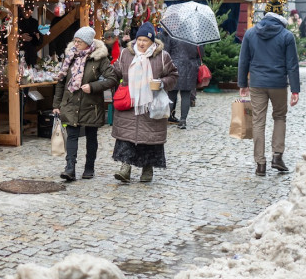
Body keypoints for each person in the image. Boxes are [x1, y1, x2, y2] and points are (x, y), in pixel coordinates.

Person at [106, 22, 178, 184]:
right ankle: (125, 168)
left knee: (149, 138)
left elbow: (173, 76)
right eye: (139, 39)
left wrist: (161, 83)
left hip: (151, 104)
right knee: (127, 136)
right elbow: (116, 71)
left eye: (145, 40)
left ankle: (147, 168)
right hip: (129, 102)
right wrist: (103, 75)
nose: (141, 43)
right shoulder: (126, 54)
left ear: (153, 41)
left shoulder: (162, 56)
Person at [237, 6, 300, 177]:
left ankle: (260, 164)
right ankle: (277, 156)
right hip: (278, 83)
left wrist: (242, 83)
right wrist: (295, 90)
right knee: (280, 117)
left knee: (258, 121)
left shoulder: (250, 34)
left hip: (257, 83)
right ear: (281, 16)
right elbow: (292, 65)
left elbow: (244, 60)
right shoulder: (287, 36)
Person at [51, 27, 114, 181]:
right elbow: (61, 81)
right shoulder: (70, 56)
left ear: (88, 42)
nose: (76, 43)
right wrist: (56, 104)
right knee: (72, 135)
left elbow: (112, 78)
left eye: (79, 41)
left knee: (91, 137)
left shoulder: (100, 58)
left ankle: (89, 167)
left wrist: (93, 87)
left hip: (91, 104)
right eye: (75, 40)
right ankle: (70, 168)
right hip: (71, 102)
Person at [164, 34, 202, 129]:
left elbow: (167, 52)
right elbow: (201, 53)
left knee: (172, 94)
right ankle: (183, 120)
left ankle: (168, 117)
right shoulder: (195, 37)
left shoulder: (172, 35)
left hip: (174, 66)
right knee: (186, 95)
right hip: (190, 67)